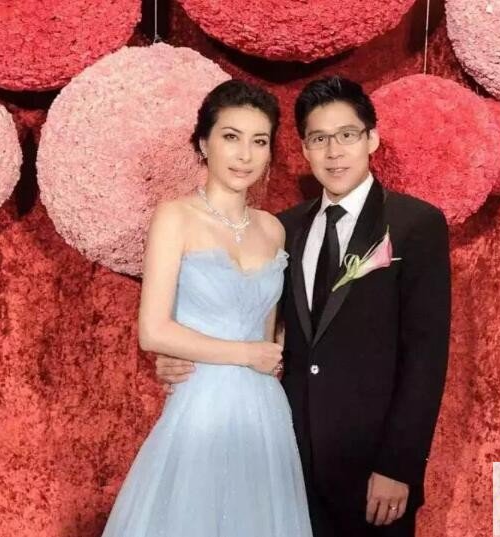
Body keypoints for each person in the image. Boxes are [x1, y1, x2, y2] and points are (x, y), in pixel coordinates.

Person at [157, 75, 451, 537]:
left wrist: (399, 464)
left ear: (372, 139)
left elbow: (426, 357)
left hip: (371, 469)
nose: (334, 152)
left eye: (347, 135)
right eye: (319, 138)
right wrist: (181, 355)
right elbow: (262, 324)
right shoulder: (284, 229)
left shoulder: (415, 224)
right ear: (304, 149)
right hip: (284, 457)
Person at [101, 79, 312, 537]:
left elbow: (268, 331)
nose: (245, 155)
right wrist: (246, 354)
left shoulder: (273, 230)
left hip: (264, 411)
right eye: (231, 137)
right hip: (201, 407)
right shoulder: (174, 217)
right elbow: (153, 331)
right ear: (203, 143)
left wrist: (268, 350)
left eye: (259, 141)